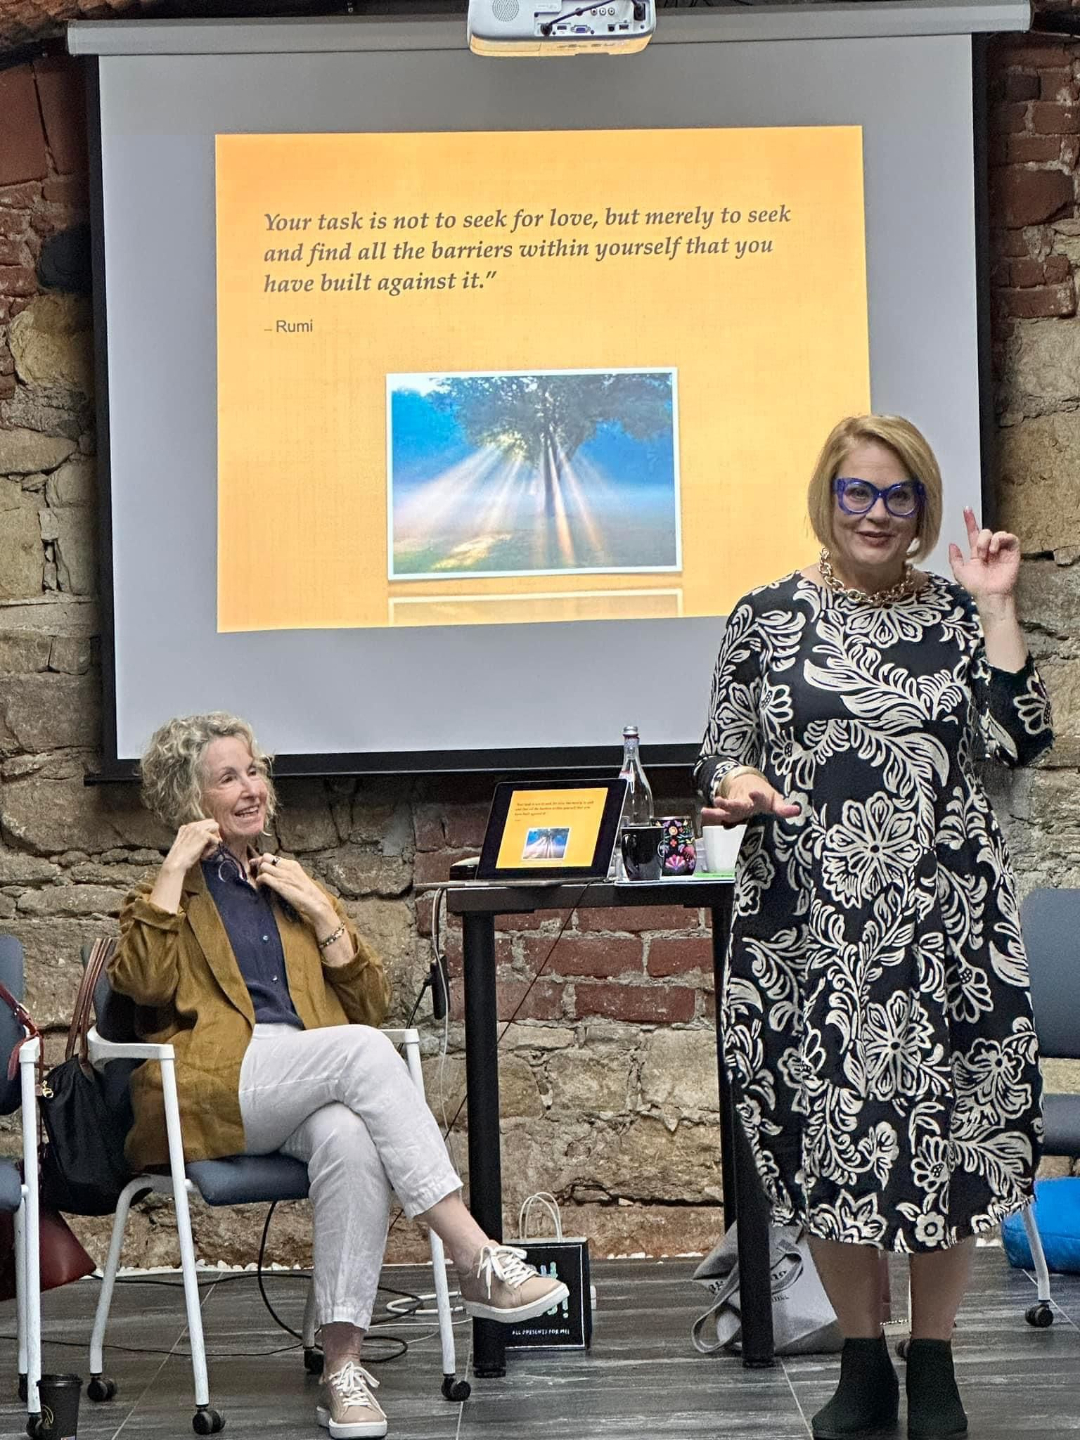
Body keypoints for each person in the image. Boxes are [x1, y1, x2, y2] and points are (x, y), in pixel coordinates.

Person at [695, 415, 1052, 1440]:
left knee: (949, 1139)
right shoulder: (766, 616)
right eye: (858, 491)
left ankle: (932, 1361)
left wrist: (998, 605)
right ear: (829, 496)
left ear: (922, 507)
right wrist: (740, 786)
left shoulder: (957, 612)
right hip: (808, 924)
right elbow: (721, 748)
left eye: (899, 495)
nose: (877, 513)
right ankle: (862, 1361)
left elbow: (1019, 741)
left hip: (945, 922)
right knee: (827, 1140)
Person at [111, 713, 568, 1440]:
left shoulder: (289, 883)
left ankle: (342, 1369)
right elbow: (142, 984)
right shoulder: (162, 894)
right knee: (360, 1053)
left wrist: (321, 910)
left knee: (353, 1140)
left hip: (309, 1074)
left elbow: (370, 1002)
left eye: (254, 771)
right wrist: (173, 869)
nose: (251, 788)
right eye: (228, 777)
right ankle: (475, 1254)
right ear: (190, 799)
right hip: (216, 1081)